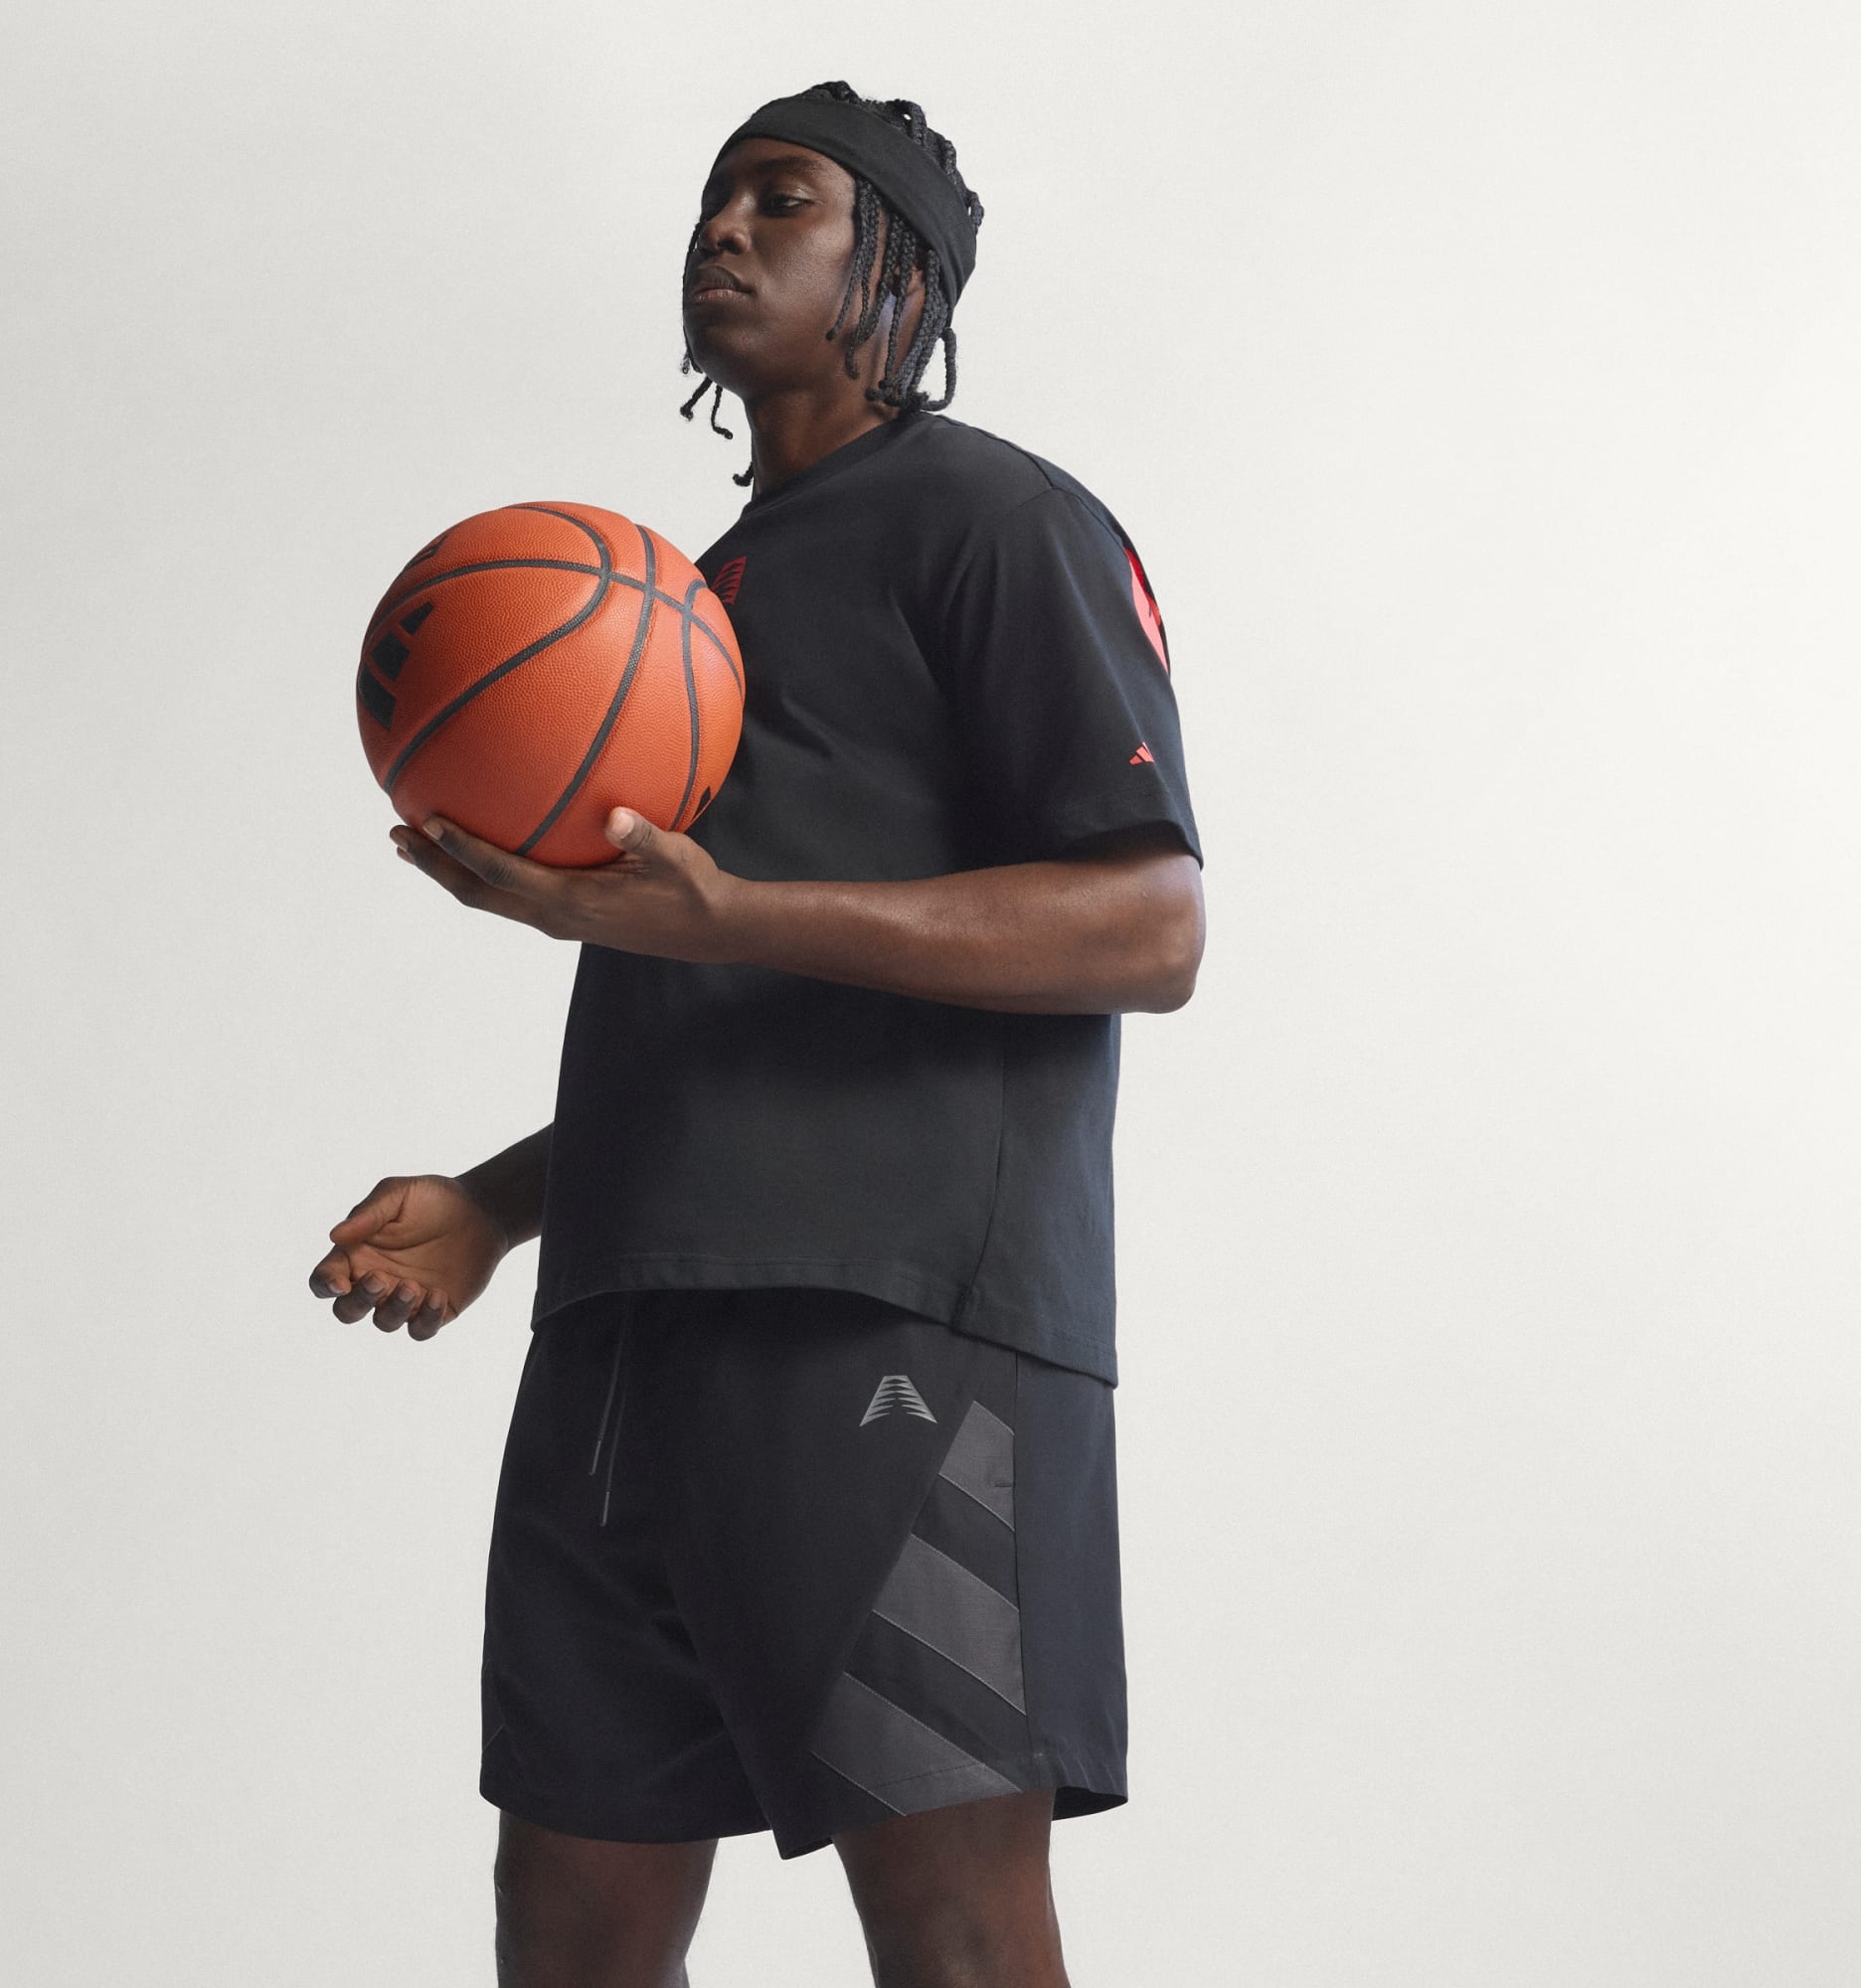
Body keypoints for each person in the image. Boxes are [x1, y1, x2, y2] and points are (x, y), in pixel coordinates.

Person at [308, 80, 1206, 1988]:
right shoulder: (679, 605)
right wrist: (495, 1203)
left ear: (902, 275)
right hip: (627, 1337)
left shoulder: (1002, 522)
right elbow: (724, 1011)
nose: (723, 229)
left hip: (894, 1327)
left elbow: (1153, 927)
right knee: (566, 1928)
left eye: (782, 201)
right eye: (713, 199)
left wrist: (734, 914)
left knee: (953, 1932)